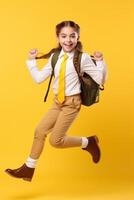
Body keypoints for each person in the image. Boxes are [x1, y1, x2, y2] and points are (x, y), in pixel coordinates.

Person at [5, 20, 107, 182]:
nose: (68, 40)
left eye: (72, 36)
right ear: (58, 38)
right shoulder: (55, 57)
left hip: (72, 104)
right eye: (64, 36)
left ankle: (88, 142)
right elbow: (39, 79)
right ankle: (28, 169)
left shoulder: (83, 58)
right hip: (57, 102)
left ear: (78, 37)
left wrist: (101, 62)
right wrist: (31, 61)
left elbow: (100, 79)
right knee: (39, 131)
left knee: (56, 141)